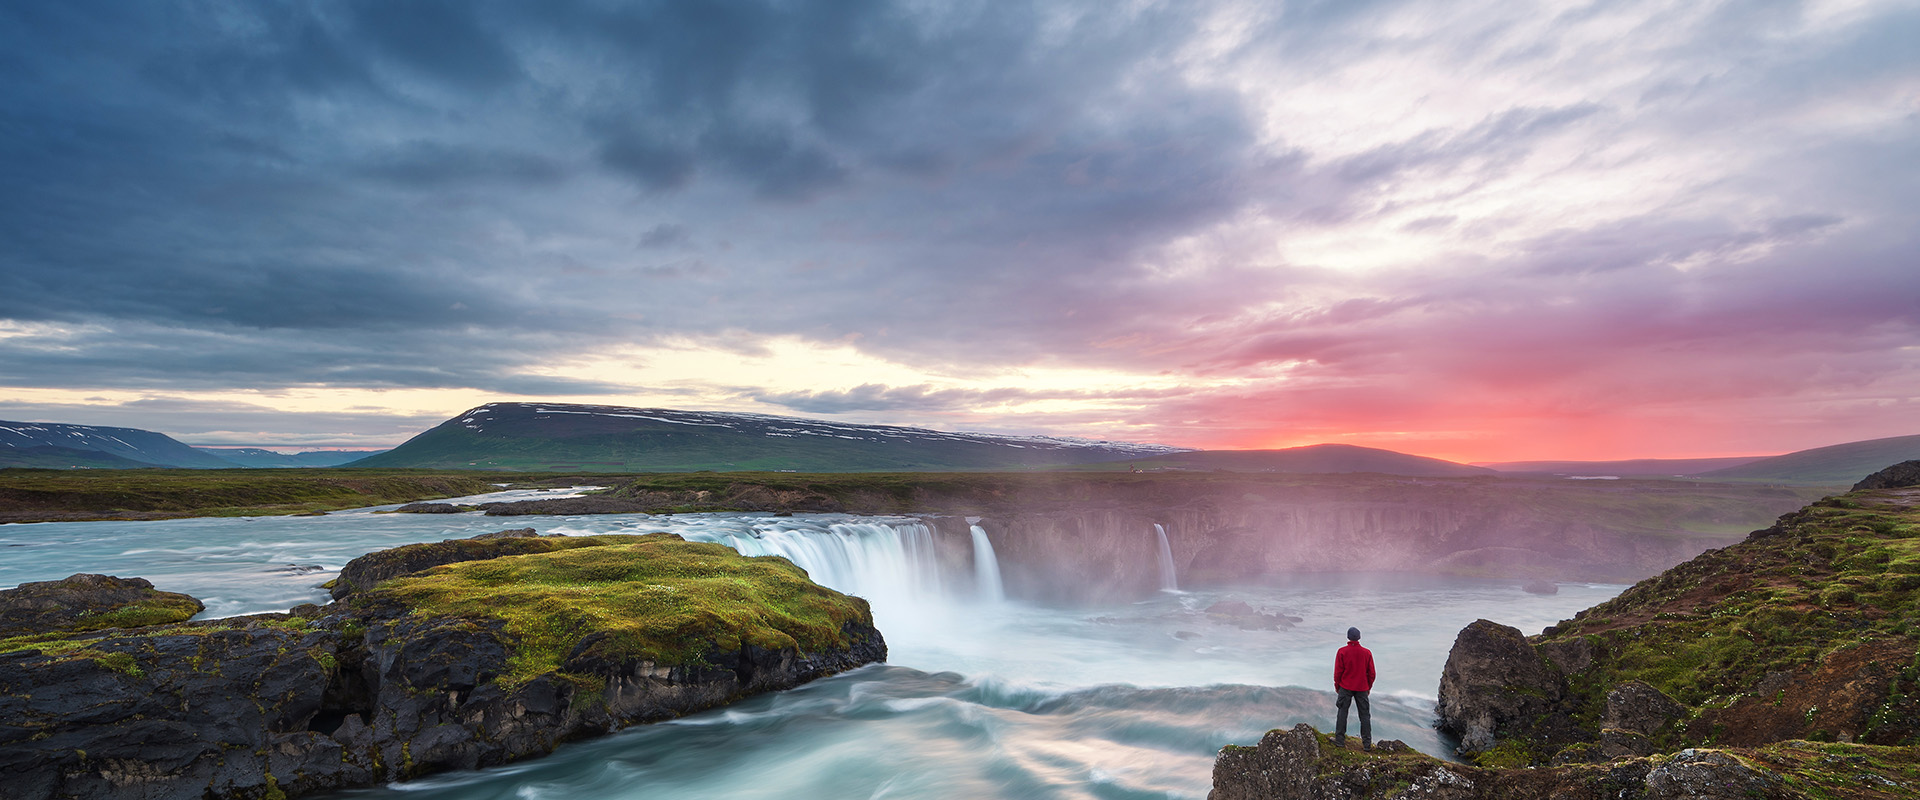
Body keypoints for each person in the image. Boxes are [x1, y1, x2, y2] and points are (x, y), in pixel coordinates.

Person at [1333, 626, 1375, 750]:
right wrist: (1368, 687)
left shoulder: (1342, 651)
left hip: (1345, 686)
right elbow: (1372, 673)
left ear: (1348, 637)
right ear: (1359, 638)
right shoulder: (1367, 653)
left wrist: (1337, 686)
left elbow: (1338, 672)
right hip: (1362, 687)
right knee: (1365, 715)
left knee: (1342, 712)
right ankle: (1367, 744)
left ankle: (1340, 741)